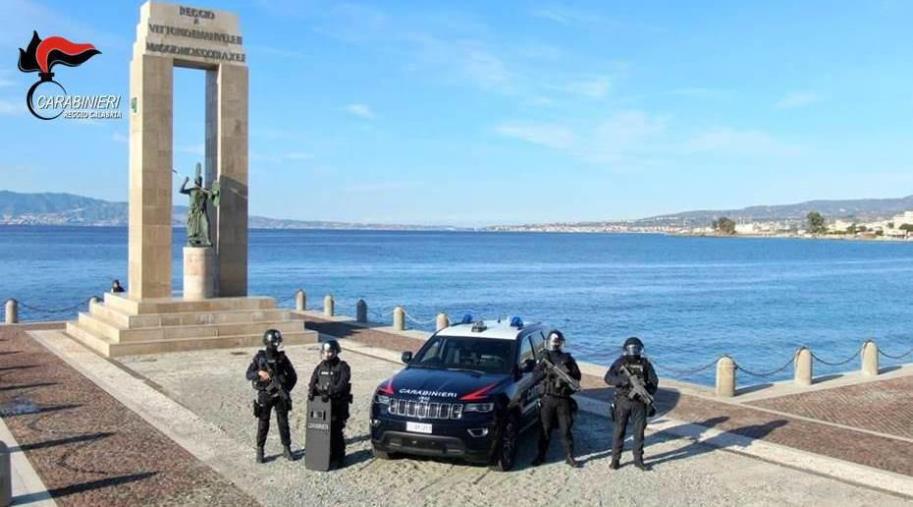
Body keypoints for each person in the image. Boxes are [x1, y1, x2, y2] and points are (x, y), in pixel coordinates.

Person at [603, 336, 658, 471]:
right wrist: (623, 381)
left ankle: (638, 459)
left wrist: (645, 390)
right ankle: (615, 459)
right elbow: (608, 378)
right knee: (619, 431)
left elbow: (654, 381)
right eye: (632, 348)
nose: (634, 351)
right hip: (623, 401)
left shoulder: (645, 364)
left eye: (636, 348)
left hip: (639, 403)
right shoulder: (620, 362)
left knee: (638, 432)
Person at [532, 330, 582, 468]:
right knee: (545, 429)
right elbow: (535, 377)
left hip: (563, 399)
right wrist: (547, 372)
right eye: (554, 341)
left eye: (557, 341)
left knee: (565, 430)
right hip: (548, 398)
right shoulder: (544, 357)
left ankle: (569, 456)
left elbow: (577, 376)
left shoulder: (567, 358)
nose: (555, 344)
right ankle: (541, 456)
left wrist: (566, 375)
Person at [246, 329, 297, 463]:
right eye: (274, 342)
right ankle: (260, 450)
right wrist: (259, 373)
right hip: (265, 394)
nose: (276, 345)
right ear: (268, 342)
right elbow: (248, 374)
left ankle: (286, 448)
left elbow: (293, 376)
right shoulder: (260, 357)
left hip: (280, 396)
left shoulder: (282, 358)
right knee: (263, 422)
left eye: (277, 342)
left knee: (283, 423)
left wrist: (284, 389)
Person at [308, 339, 352, 469]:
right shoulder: (320, 367)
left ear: (336, 352)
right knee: (322, 431)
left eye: (330, 352)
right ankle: (326, 455)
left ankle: (339, 457)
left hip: (337, 405)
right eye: (325, 352)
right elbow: (313, 382)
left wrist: (331, 392)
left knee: (336, 431)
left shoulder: (343, 367)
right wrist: (311, 392)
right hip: (323, 405)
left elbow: (342, 384)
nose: (328, 354)